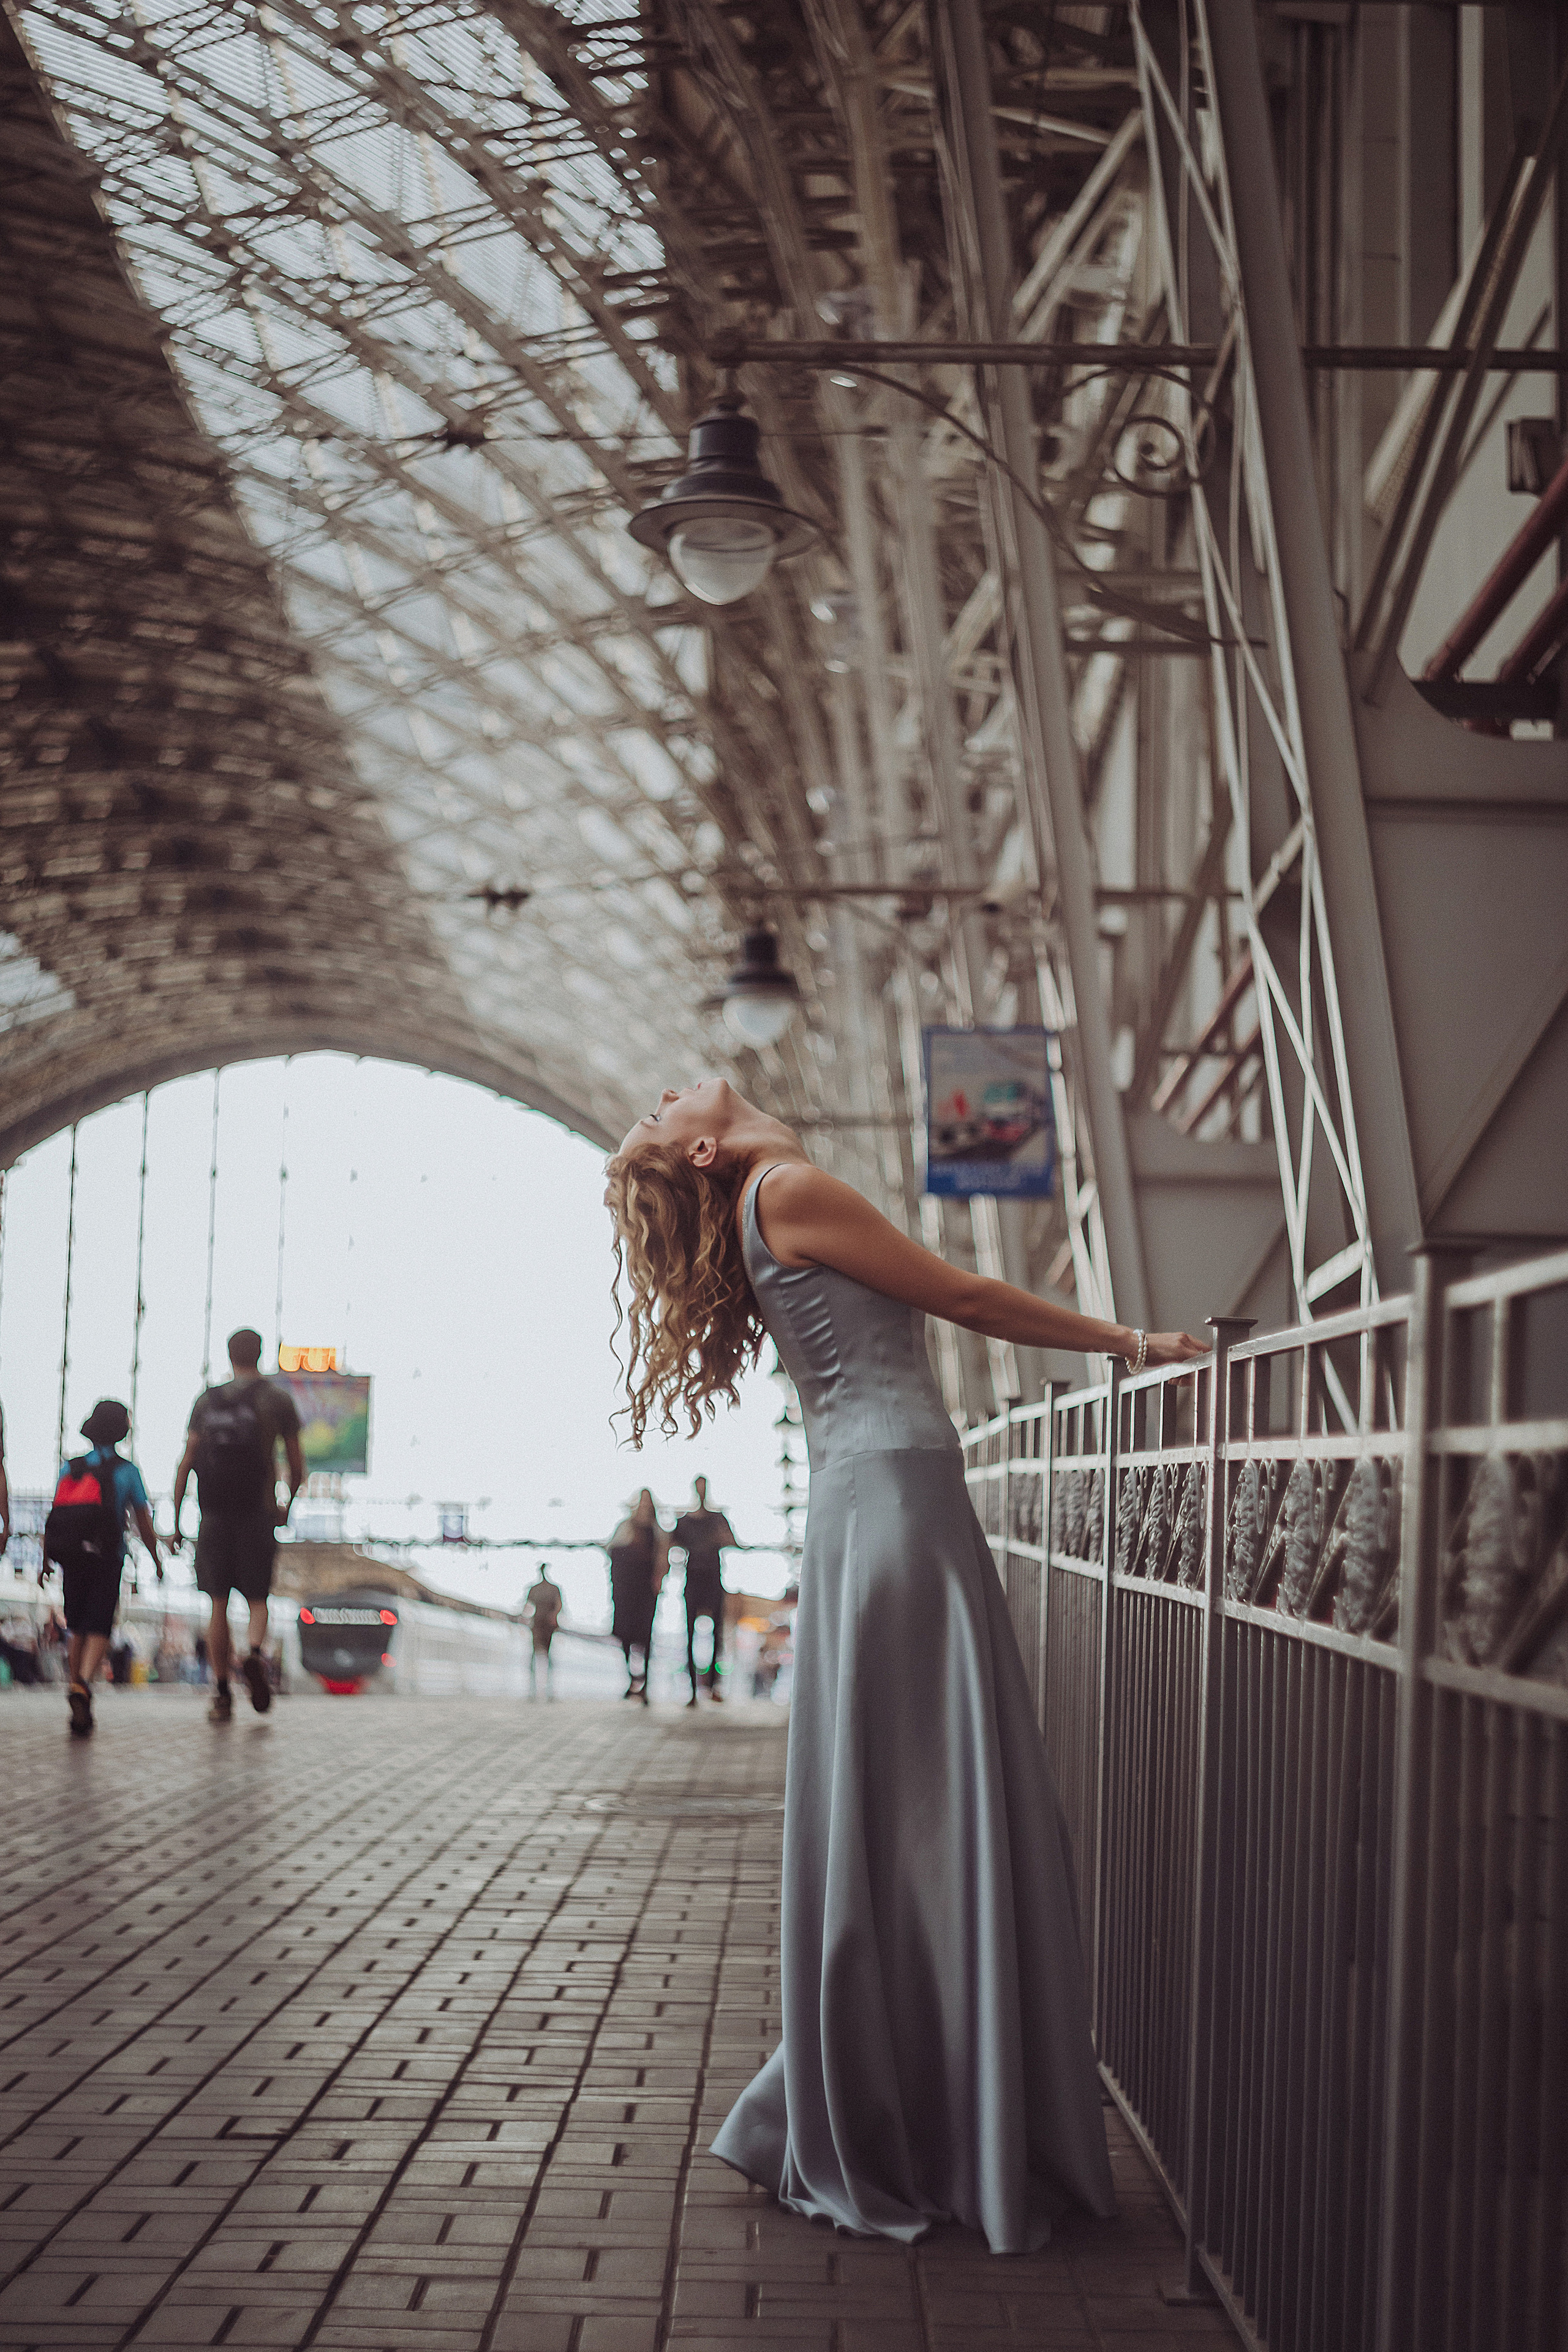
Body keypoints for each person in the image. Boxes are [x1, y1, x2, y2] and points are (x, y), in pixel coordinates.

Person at [605, 1077, 1204, 2254]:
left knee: (905, 1810)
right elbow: (967, 1293)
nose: (665, 1093)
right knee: (934, 1807)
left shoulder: (763, 1199)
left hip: (870, 1502)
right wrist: (1132, 1344)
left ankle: (909, 2096)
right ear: (711, 1153)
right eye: (655, 1114)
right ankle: (945, 2109)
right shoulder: (790, 1188)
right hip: (900, 1502)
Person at [172, 1328, 304, 1724]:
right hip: (257, 1512)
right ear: (261, 1354)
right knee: (258, 1598)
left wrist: (178, 1518)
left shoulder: (208, 1400)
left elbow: (187, 1461)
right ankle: (254, 1654)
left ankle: (222, 1692)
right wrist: (287, 1505)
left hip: (212, 1514)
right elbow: (297, 1466)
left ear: (229, 1356)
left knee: (218, 1602)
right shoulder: (277, 1399)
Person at [41, 1400, 162, 1737]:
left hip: (71, 1557)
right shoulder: (127, 1471)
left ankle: (75, 1684)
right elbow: (144, 1524)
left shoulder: (71, 1468)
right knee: (100, 1626)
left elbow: (55, 1517)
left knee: (77, 1625)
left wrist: (45, 1560)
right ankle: (81, 1685)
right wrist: (156, 1560)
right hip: (107, 1557)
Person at [672, 1476, 736, 1707]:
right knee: (690, 1635)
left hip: (713, 1579)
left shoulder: (718, 1519)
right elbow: (669, 1547)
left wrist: (722, 1536)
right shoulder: (684, 1521)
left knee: (716, 1634)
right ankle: (693, 1691)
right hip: (693, 1579)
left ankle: (712, 1687)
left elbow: (732, 1541)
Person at [607, 1489, 666, 1703]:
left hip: (645, 1590)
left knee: (646, 1636)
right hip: (625, 1590)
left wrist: (658, 1580)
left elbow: (662, 1560)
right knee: (625, 1634)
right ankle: (632, 1678)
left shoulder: (657, 1531)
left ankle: (645, 1684)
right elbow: (612, 1553)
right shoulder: (625, 1527)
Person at [526, 1563, 563, 1698]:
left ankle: (537, 1687)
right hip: (545, 1624)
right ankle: (546, 1688)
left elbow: (527, 1606)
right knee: (546, 1655)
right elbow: (559, 1606)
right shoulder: (554, 1589)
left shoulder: (535, 1589)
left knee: (536, 1654)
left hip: (540, 1623)